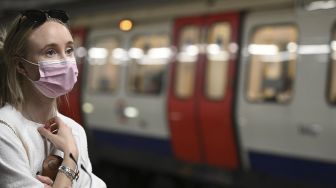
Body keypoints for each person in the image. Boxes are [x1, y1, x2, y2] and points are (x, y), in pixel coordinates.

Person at [0, 9, 106, 187]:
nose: (66, 61)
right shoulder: (6, 131)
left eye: (69, 49)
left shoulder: (74, 130)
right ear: (20, 65)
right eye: (50, 52)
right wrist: (70, 156)